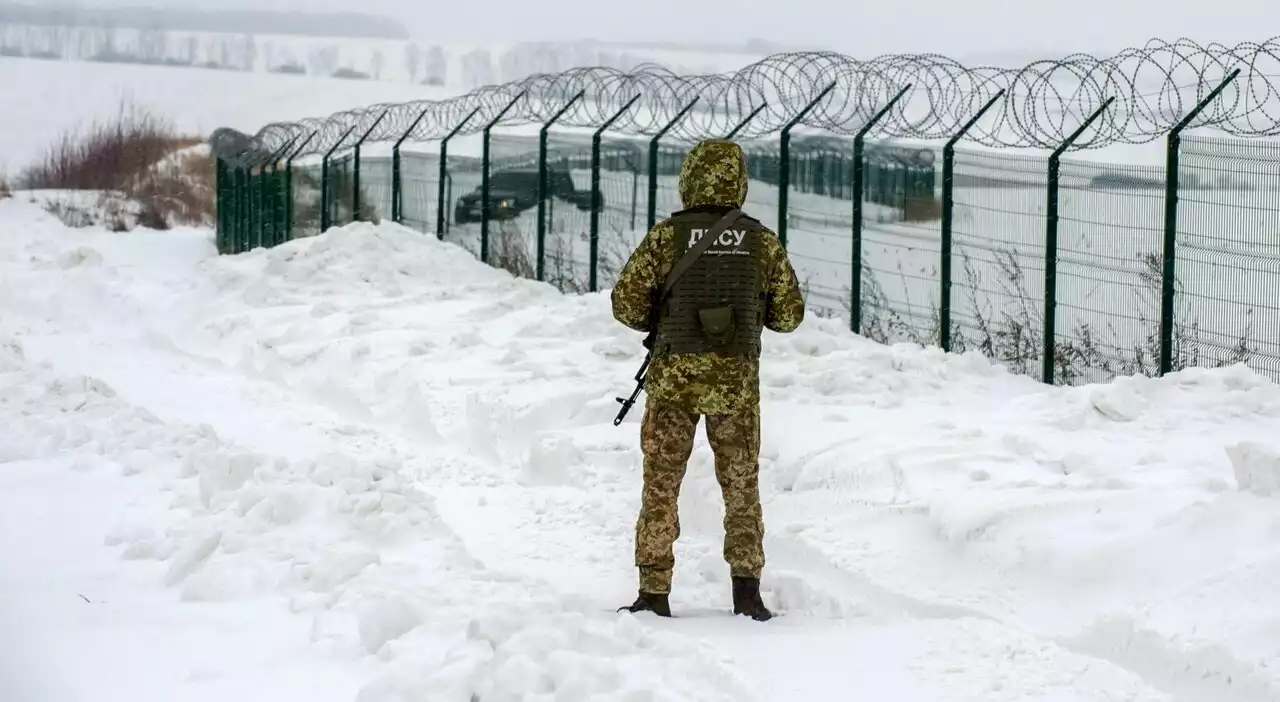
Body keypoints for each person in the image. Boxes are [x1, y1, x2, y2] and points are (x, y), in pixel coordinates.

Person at [609, 138, 805, 621]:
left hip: (673, 380)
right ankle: (747, 594)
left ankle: (653, 592)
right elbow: (789, 317)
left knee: (661, 485)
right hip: (735, 385)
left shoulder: (667, 237)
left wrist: (668, 313)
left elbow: (625, 304)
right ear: (739, 181)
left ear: (689, 179)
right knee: (741, 487)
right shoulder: (759, 241)